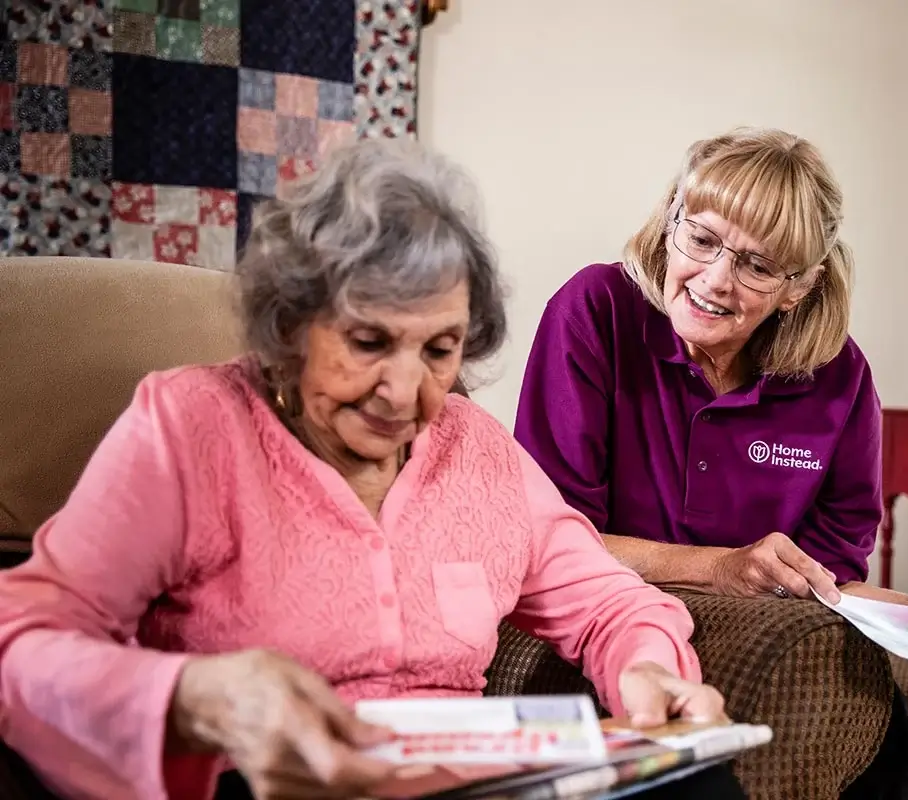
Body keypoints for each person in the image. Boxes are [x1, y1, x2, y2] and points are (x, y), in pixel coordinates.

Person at [0, 138, 739, 800]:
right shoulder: (190, 428)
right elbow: (22, 641)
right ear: (289, 326)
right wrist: (195, 699)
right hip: (272, 780)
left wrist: (648, 668)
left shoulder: (475, 449)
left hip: (463, 781)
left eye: (439, 350)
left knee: (694, 781)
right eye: (367, 342)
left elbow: (609, 602)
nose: (403, 391)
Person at [513, 127, 908, 798]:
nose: (716, 280)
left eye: (758, 266)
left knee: (882, 737)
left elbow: (820, 586)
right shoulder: (595, 312)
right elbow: (548, 544)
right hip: (619, 637)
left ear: (800, 287)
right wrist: (719, 566)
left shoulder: (840, 379)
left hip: (780, 644)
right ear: (670, 222)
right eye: (703, 239)